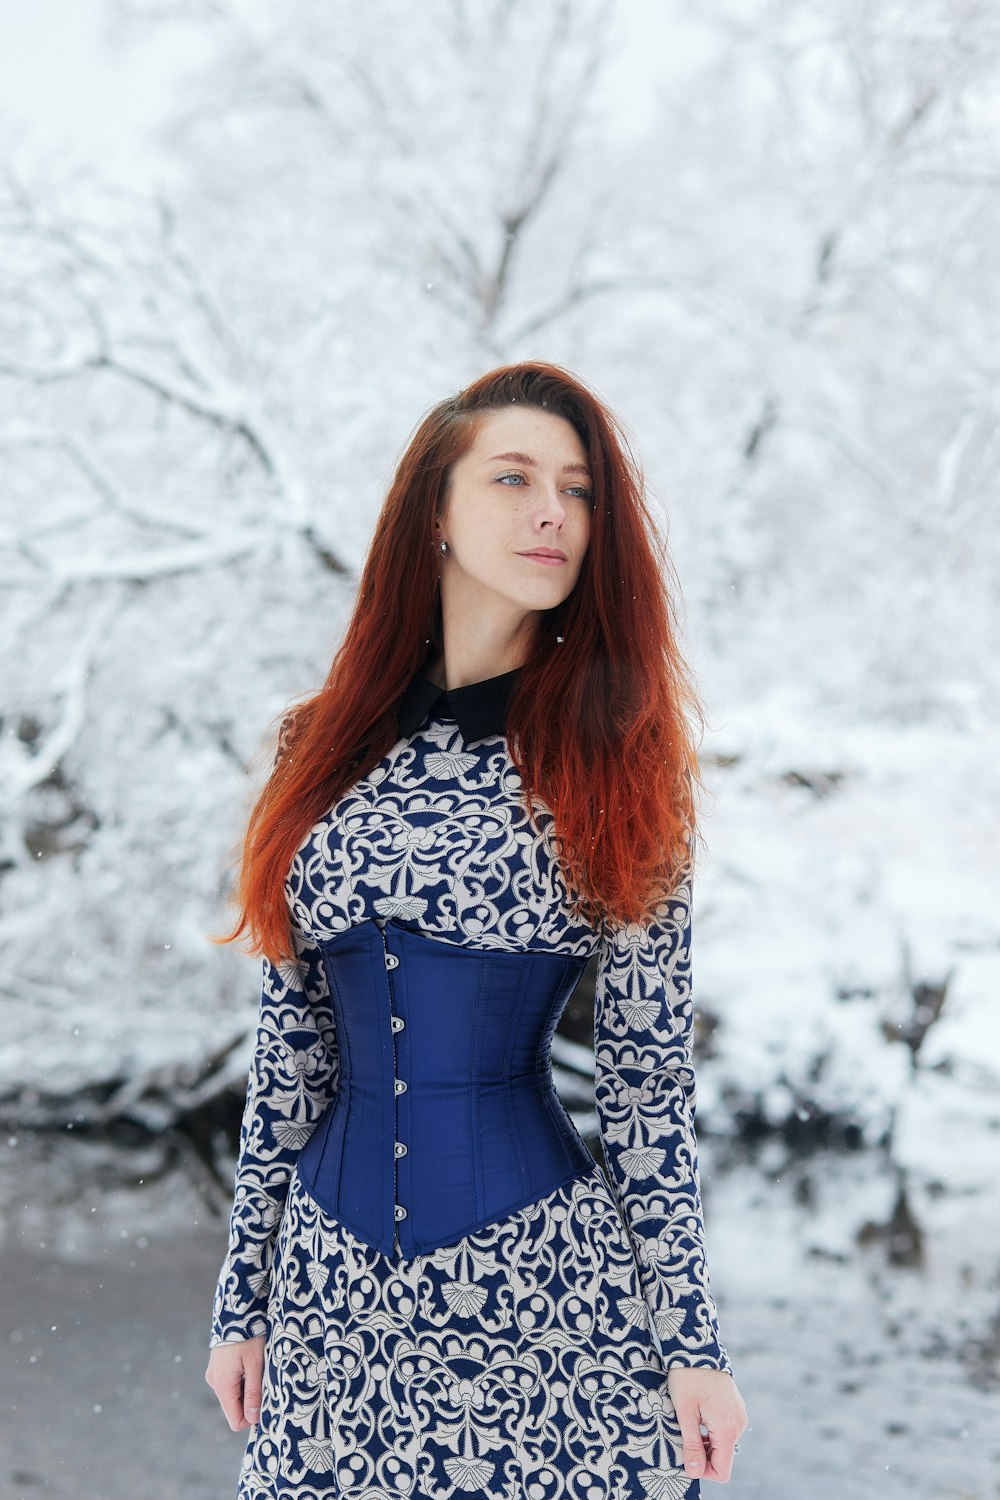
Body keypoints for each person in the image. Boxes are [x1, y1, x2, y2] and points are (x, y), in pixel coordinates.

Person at [204, 360, 748, 1497]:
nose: (553, 510)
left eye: (579, 489)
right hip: (330, 1297)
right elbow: (292, 1055)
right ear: (435, 513)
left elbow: (644, 1090)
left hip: (542, 1290)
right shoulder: (319, 747)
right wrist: (239, 1303)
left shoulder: (618, 763)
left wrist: (691, 1347)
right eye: (513, 477)